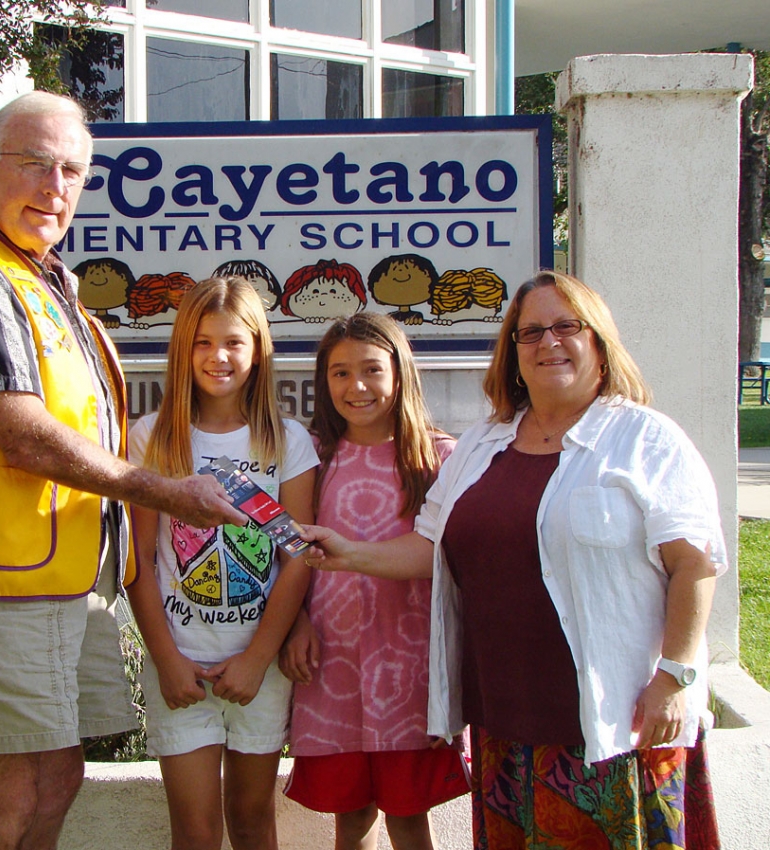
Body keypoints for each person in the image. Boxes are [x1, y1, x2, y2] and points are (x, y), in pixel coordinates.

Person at [0, 91, 245, 850]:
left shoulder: (50, 285)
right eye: (35, 165)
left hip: (54, 579)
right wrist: (166, 493)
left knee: (54, 779)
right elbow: (23, 436)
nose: (55, 187)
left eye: (72, 171)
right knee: (4, 795)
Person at [302, 271, 725, 849]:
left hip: (613, 721)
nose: (548, 342)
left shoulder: (645, 440)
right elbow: (431, 547)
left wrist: (674, 678)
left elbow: (696, 564)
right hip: (504, 720)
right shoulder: (483, 444)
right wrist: (352, 554)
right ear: (513, 352)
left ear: (598, 342)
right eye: (530, 332)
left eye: (566, 326)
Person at [126, 276, 318, 850]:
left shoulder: (287, 440)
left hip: (259, 669)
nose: (218, 357)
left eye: (234, 342)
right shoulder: (151, 439)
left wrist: (259, 658)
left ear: (258, 349)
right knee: (195, 829)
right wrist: (164, 659)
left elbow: (300, 556)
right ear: (183, 349)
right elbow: (137, 558)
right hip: (180, 664)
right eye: (203, 342)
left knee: (254, 818)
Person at [278, 313, 469, 850]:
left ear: (399, 373)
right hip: (329, 660)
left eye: (370, 370)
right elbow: (285, 549)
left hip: (408, 669)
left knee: (408, 816)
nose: (355, 386)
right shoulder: (313, 456)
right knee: (351, 816)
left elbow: (450, 561)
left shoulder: (440, 458)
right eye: (339, 373)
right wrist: (295, 622)